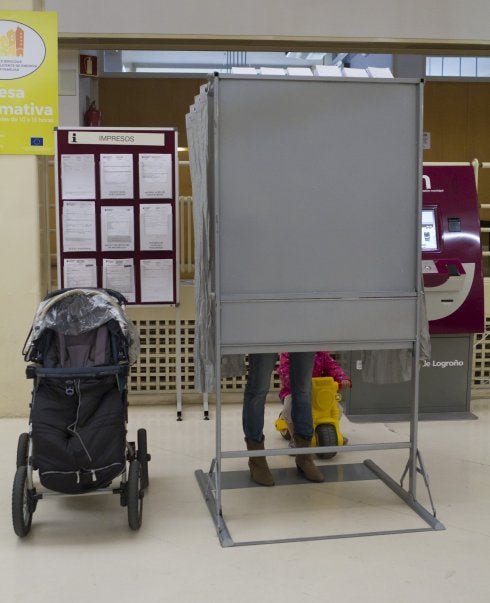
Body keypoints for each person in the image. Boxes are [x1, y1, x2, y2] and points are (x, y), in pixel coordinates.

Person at [243, 352, 324, 486]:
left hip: (305, 332)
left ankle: (304, 456)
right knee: (258, 388)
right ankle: (256, 459)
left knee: (303, 388)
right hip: (263, 332)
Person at [277, 351, 351, 445]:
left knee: (336, 409)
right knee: (289, 410)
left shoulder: (320, 354)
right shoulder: (289, 353)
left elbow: (333, 366)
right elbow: (284, 370)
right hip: (294, 390)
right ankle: (295, 438)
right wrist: (293, 381)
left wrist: (342, 378)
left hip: (317, 390)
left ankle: (335, 432)